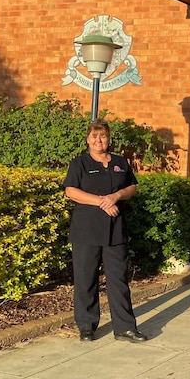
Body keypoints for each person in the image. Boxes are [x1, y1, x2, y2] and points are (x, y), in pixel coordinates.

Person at [63, 120, 146, 343]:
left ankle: (125, 328)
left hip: (116, 230)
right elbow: (71, 191)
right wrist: (102, 201)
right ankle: (87, 326)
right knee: (85, 278)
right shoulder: (79, 163)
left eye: (103, 136)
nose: (99, 140)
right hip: (86, 230)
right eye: (94, 136)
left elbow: (132, 187)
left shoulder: (120, 162)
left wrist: (116, 197)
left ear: (108, 139)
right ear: (87, 139)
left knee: (118, 279)